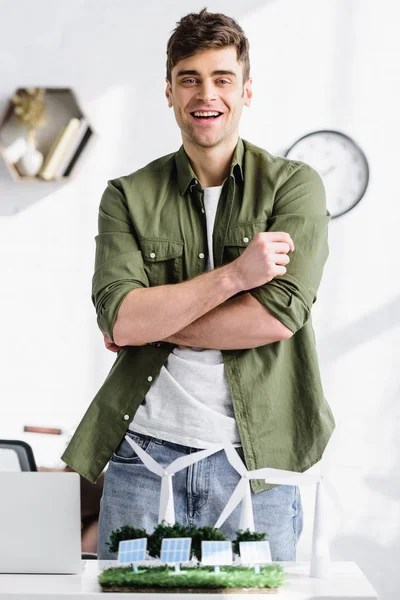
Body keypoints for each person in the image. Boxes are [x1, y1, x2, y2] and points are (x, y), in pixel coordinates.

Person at [61, 8, 335, 561]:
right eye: (189, 78)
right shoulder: (126, 196)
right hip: (143, 459)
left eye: (221, 78)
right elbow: (120, 318)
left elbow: (275, 319)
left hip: (258, 465)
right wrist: (237, 276)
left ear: (246, 90)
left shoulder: (294, 187)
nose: (204, 93)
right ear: (168, 91)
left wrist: (152, 323)